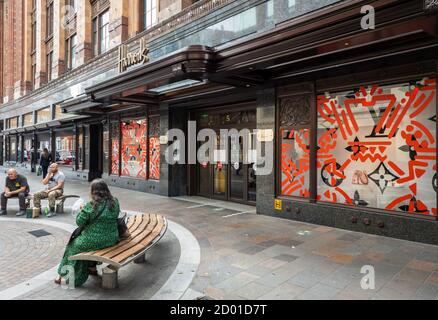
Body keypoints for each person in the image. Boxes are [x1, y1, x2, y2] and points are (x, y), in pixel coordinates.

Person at [55, 179, 120, 287]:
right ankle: (92, 268)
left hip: (94, 240)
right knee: (87, 246)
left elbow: (79, 221)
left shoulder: (91, 205)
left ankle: (68, 277)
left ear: (93, 191)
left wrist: (82, 209)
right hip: (112, 238)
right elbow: (114, 215)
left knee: (72, 246)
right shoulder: (115, 201)